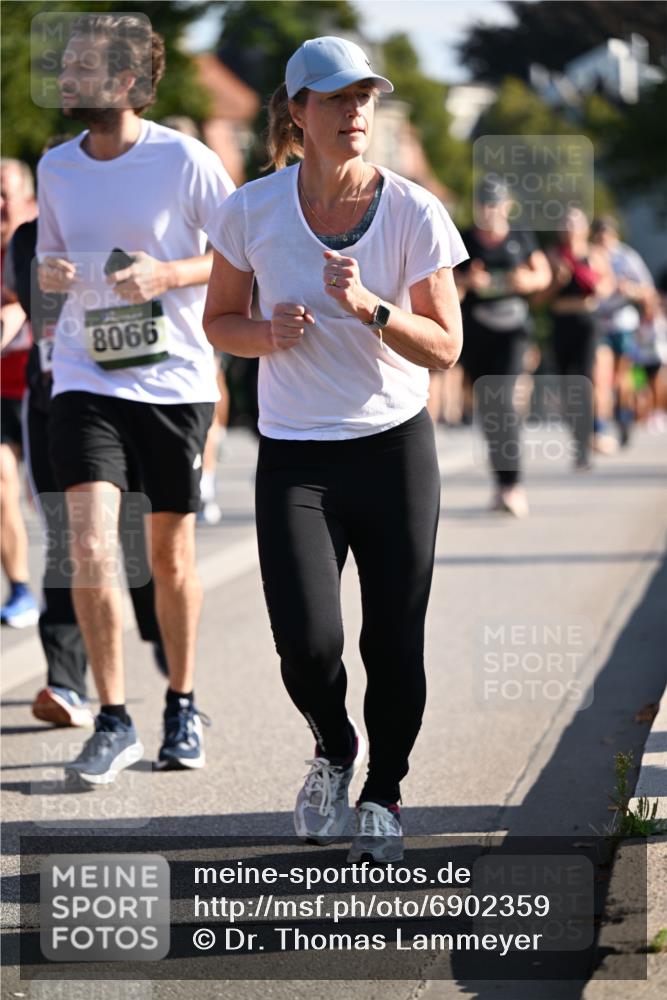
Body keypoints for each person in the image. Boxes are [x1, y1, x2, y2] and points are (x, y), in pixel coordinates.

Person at [203, 36, 467, 862]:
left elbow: (447, 346)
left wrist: (374, 310)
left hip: (392, 449)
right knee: (308, 644)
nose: (355, 111)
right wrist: (264, 333)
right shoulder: (250, 210)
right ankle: (332, 747)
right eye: (335, 98)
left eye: (364, 97)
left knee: (392, 641)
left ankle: (384, 793)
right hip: (295, 457)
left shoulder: (414, 210)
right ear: (297, 112)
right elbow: (219, 322)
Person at [36, 13, 235, 782]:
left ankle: (181, 703)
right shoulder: (57, 168)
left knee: (168, 556)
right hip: (85, 376)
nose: (64, 76)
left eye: (80, 66)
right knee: (87, 545)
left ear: (125, 83)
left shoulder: (185, 162)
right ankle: (113, 716)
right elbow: (52, 260)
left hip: (173, 380)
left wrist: (167, 273)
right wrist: (50, 278)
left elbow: (233, 258)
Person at [5, 201, 169, 729]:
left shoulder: (133, 223)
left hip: (136, 399)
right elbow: (31, 308)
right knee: (69, 540)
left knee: (141, 539)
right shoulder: (31, 242)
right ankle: (68, 684)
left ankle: (165, 636)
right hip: (63, 406)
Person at [455, 177, 551, 517]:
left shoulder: (521, 236)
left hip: (513, 331)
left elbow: (543, 275)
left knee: (504, 401)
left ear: (507, 206)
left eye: (495, 204)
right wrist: (468, 281)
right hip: (478, 331)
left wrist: (525, 280)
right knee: (490, 409)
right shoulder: (464, 239)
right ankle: (502, 483)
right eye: (483, 204)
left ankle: (513, 485)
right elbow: (444, 286)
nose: (489, 210)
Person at [536, 208, 615, 470]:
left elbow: (607, 286)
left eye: (574, 223)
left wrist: (593, 283)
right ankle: (578, 435)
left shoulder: (593, 255)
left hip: (586, 322)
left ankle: (584, 443)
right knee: (564, 383)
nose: (569, 227)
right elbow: (538, 299)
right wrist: (558, 282)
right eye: (564, 222)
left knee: (583, 380)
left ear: (584, 228)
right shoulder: (552, 255)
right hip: (561, 322)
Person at [0, 158, 39, 627]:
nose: (0, 203)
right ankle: (21, 589)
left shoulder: (42, 247)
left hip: (46, 392)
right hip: (2, 398)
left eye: (7, 193)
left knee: (52, 502)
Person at [591, 216, 657, 446]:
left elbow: (648, 290)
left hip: (622, 322)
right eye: (599, 236)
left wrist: (629, 290)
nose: (603, 240)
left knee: (622, 376)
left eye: (607, 235)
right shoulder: (590, 256)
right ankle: (598, 424)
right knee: (600, 374)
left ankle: (623, 415)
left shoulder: (626, 257)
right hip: (598, 323)